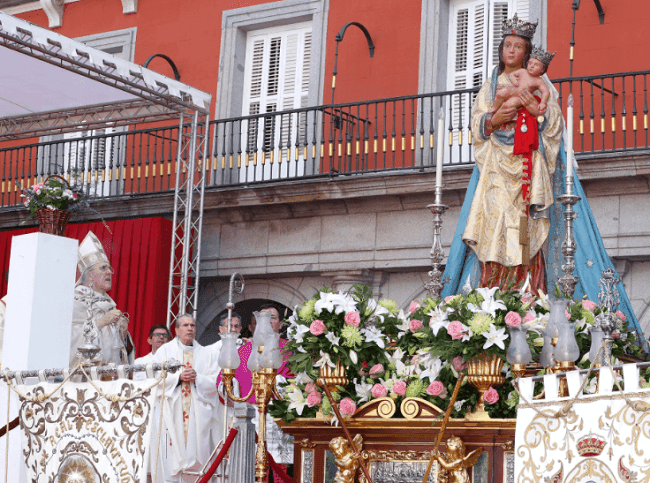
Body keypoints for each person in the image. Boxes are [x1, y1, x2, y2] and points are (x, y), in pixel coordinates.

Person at [462, 13, 563, 294]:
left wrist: (534, 108)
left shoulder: (539, 83)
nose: (512, 51)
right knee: (494, 223)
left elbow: (553, 123)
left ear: (527, 54)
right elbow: (478, 125)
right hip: (496, 165)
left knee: (523, 225)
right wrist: (493, 121)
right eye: (508, 45)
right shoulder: (491, 86)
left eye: (518, 47)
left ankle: (526, 288)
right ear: (501, 49)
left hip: (527, 162)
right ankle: (492, 289)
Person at [149, 314, 223, 483]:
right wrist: (178, 378)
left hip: (198, 415)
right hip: (171, 412)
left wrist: (198, 378)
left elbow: (215, 381)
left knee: (197, 454)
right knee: (170, 456)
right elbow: (153, 377)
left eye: (192, 325)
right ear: (176, 330)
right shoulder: (164, 351)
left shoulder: (205, 353)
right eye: (185, 325)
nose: (190, 328)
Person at [70, 231, 134, 367]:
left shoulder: (109, 304)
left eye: (109, 268)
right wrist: (101, 323)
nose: (109, 272)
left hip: (112, 374)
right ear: (90, 275)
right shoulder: (77, 300)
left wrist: (123, 334)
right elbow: (71, 339)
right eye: (103, 268)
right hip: (89, 375)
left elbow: (117, 347)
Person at [489, 46, 555, 116]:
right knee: (500, 94)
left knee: (509, 105)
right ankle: (494, 107)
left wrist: (543, 103)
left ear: (542, 69)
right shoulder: (523, 71)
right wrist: (514, 80)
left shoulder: (539, 81)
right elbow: (512, 74)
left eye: (536, 65)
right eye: (530, 63)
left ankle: (505, 113)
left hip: (522, 97)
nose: (532, 66)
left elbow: (545, 92)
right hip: (513, 90)